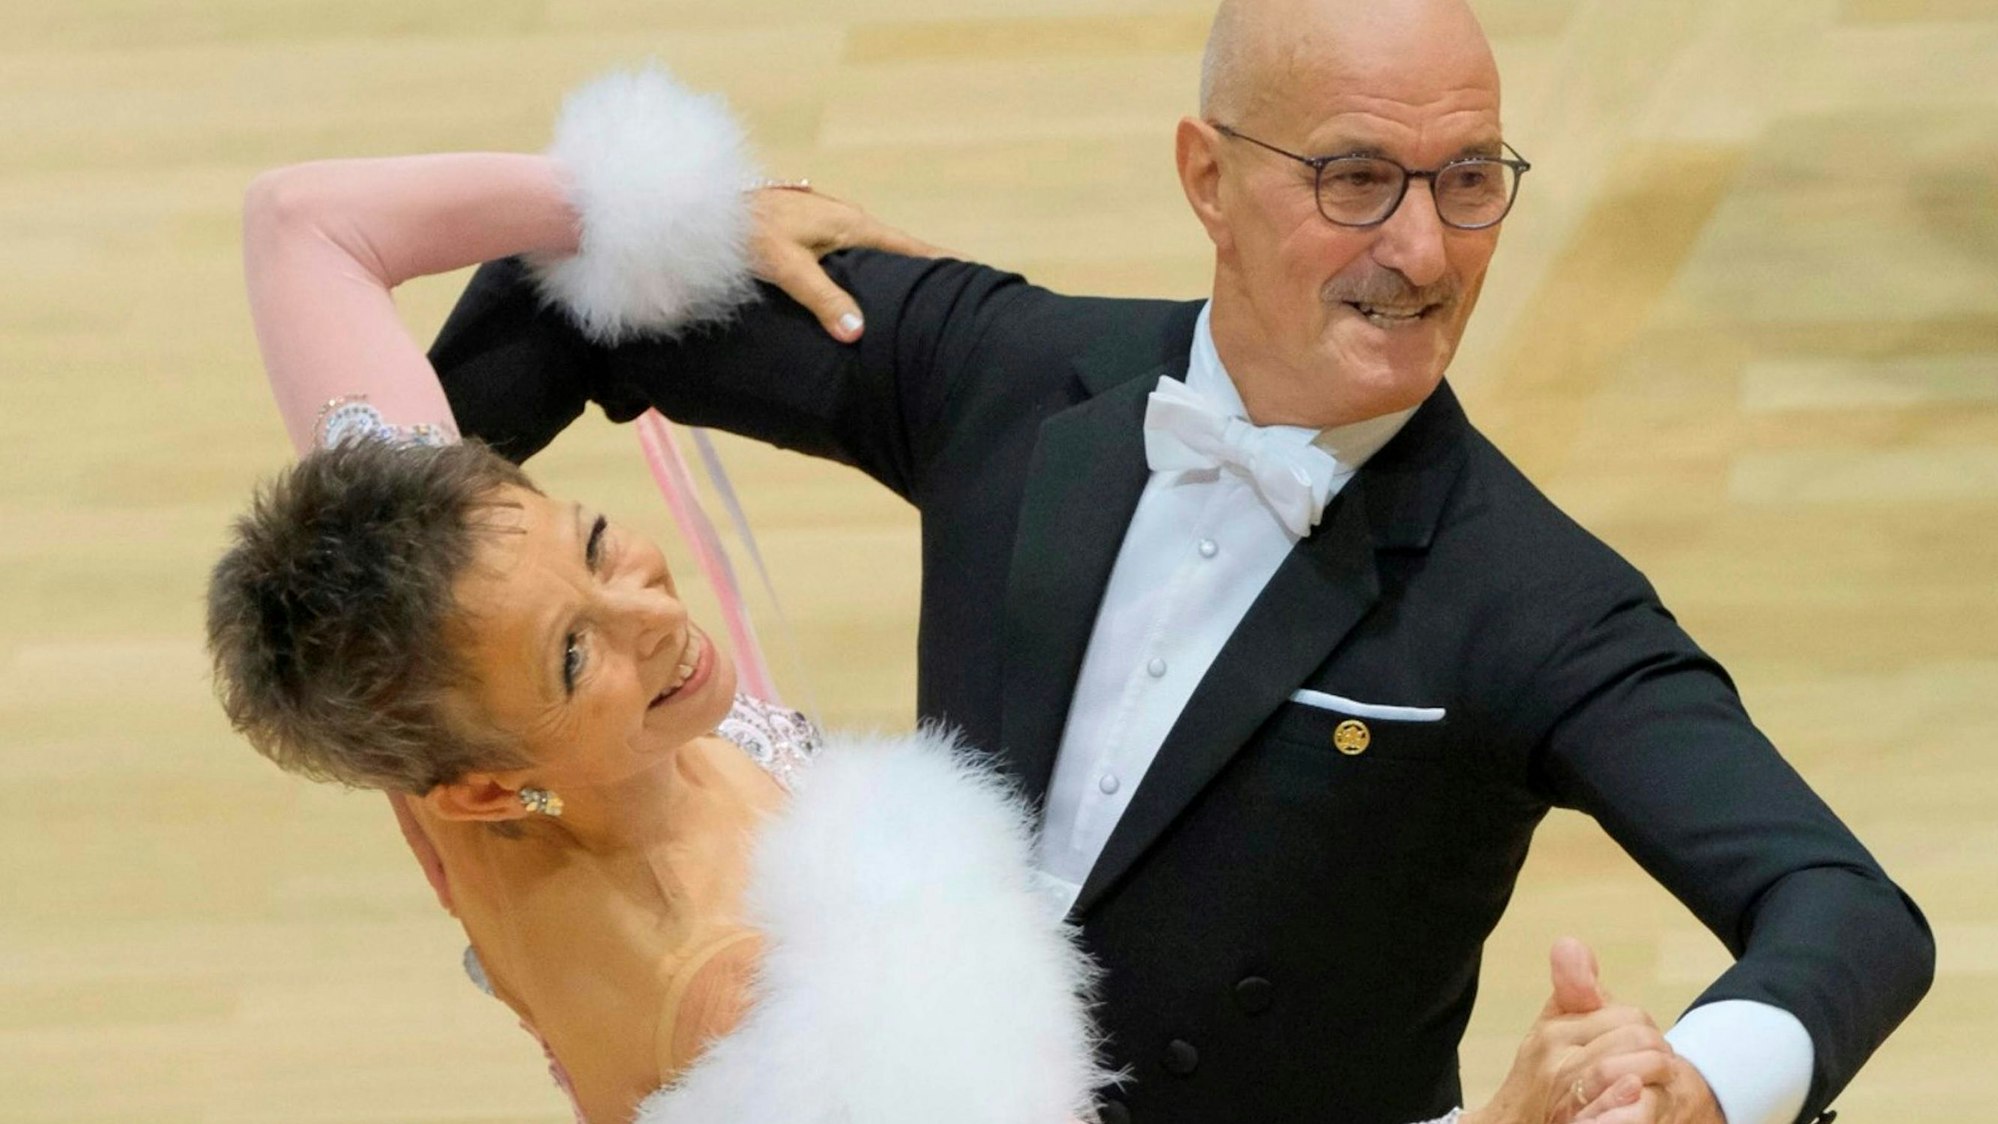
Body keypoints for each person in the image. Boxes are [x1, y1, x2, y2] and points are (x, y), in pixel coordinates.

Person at [424, 1, 1935, 1122]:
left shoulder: (1529, 599)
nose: (1421, 250)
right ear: (1205, 178)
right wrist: (692, 230)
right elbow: (555, 300)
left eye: (1468, 179)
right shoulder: (1010, 370)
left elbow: (1848, 912)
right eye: (1355, 178)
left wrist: (1704, 1085)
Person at [207, 72, 1674, 1124]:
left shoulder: (411, 632)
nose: (648, 610)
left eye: (596, 540)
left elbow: (302, 224)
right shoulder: (753, 988)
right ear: (470, 795)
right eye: (578, 651)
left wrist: (663, 206)